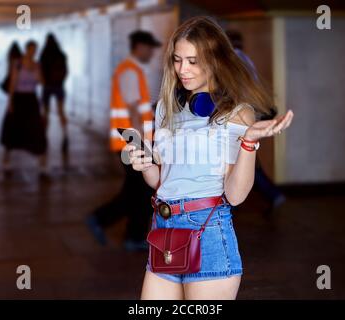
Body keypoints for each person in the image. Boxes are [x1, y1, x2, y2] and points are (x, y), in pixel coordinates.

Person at [125, 17, 294, 299]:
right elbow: (160, 180)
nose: (182, 69)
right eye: (178, 60)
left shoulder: (238, 114)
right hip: (164, 230)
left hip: (207, 232)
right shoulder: (167, 109)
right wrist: (145, 165)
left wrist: (248, 141)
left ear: (215, 61)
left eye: (193, 61)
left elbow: (236, 196)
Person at [86, 30, 161, 251]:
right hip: (132, 143)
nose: (151, 52)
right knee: (142, 191)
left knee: (135, 191)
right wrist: (140, 145)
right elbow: (133, 110)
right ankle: (127, 234)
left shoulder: (132, 70)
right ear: (139, 46)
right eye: (149, 47)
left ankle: (120, 229)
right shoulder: (129, 72)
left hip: (130, 142)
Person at [226, 30, 287, 213]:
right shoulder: (245, 59)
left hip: (239, 116)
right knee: (246, 158)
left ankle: (270, 195)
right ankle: (273, 195)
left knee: (240, 159)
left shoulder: (234, 61)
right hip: (248, 114)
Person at [0, 40, 47, 177]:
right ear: (26, 50)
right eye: (31, 50)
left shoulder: (37, 65)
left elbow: (41, 83)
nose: (33, 53)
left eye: (35, 50)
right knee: (12, 130)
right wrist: (10, 102)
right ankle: (6, 161)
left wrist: (38, 72)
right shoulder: (18, 64)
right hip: (19, 99)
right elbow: (13, 84)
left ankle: (42, 164)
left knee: (38, 131)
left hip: (31, 99)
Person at [39, 33, 69, 154]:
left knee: (45, 113)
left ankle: (44, 137)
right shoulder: (61, 55)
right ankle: (65, 134)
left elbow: (40, 71)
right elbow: (66, 71)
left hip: (47, 87)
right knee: (61, 111)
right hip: (59, 86)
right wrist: (60, 82)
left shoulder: (44, 54)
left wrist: (43, 82)